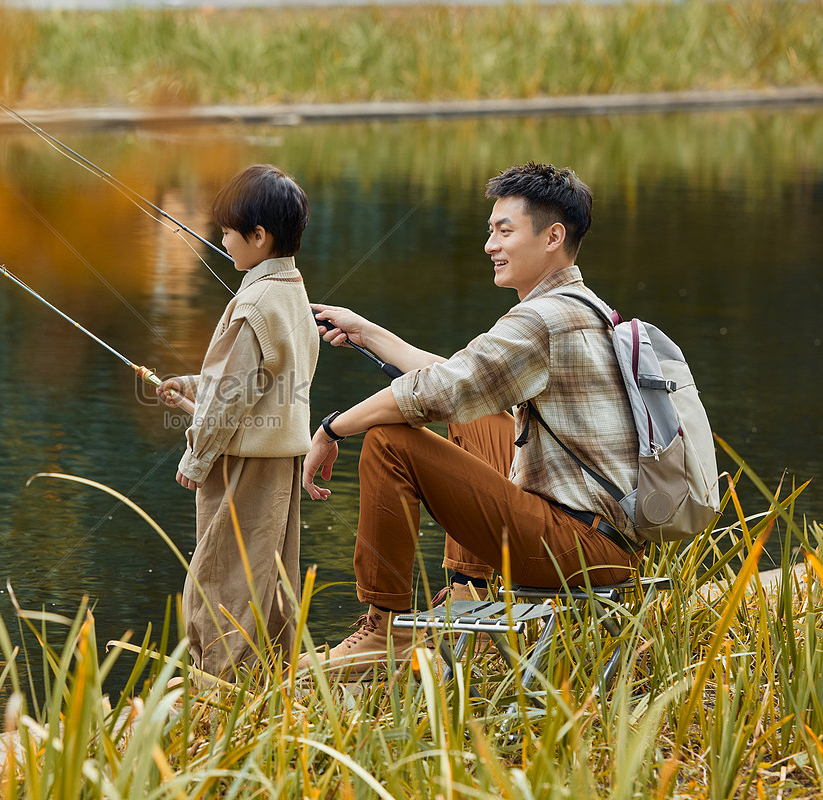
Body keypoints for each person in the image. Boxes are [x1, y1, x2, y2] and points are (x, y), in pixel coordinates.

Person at [303, 162, 642, 674]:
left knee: (392, 440)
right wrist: (367, 331)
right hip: (601, 540)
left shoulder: (542, 319)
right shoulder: (582, 306)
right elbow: (463, 381)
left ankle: (384, 628)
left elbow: (442, 390)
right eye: (491, 231)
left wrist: (332, 428)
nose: (491, 245)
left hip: (577, 550)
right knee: (475, 417)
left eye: (505, 231)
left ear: (552, 237)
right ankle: (468, 595)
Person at [157, 164, 319, 679]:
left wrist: (197, 456)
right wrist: (192, 385)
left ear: (258, 236)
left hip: (242, 466)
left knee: (222, 577)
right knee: (271, 578)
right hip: (282, 462)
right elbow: (257, 384)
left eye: (228, 231)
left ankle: (216, 690)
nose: (221, 240)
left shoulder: (251, 305)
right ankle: (270, 681)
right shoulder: (293, 293)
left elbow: (232, 396)